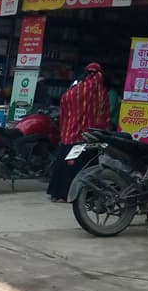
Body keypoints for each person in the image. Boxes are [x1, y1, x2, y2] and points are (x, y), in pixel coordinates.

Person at [47, 63, 111, 203]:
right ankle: (80, 194)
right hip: (87, 137)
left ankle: (58, 194)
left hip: (69, 133)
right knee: (84, 166)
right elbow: (103, 113)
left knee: (64, 164)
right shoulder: (98, 90)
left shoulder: (74, 89)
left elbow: (63, 109)